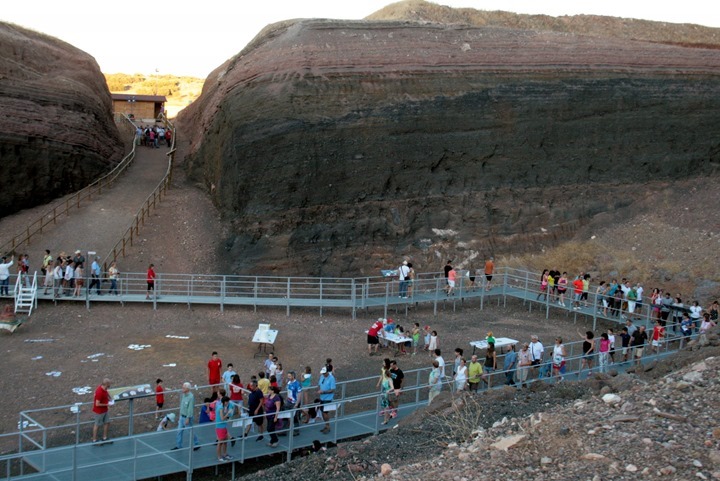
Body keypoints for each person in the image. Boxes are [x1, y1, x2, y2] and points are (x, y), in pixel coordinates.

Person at [174, 382, 200, 450]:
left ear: (188, 389)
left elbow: (190, 408)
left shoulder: (191, 397)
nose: (182, 389)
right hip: (182, 416)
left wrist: (188, 418)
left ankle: (197, 443)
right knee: (179, 431)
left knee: (190, 431)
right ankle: (178, 445)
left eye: (184, 387)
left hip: (187, 417)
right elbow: (182, 406)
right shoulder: (183, 395)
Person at [92, 378, 112, 444]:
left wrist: (110, 397)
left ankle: (105, 437)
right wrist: (107, 404)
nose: (109, 387)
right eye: (108, 386)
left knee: (107, 422)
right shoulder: (99, 392)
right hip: (99, 411)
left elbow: (106, 392)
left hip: (104, 410)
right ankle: (94, 440)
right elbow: (97, 404)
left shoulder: (104, 389)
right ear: (105, 385)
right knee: (97, 425)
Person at [317, 367, 336, 433]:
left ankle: (328, 426)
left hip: (328, 398)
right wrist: (319, 390)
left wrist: (323, 392)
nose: (323, 374)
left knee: (325, 412)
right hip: (322, 397)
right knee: (323, 412)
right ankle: (326, 425)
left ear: (327, 372)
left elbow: (332, 389)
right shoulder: (322, 377)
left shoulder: (331, 378)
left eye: (324, 373)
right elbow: (319, 384)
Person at [215, 396, 233, 460]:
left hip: (224, 426)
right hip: (220, 426)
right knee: (220, 442)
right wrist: (228, 413)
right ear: (225, 402)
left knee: (225, 441)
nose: (228, 403)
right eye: (227, 401)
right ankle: (219, 457)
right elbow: (222, 418)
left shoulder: (223, 407)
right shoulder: (220, 408)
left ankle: (225, 454)